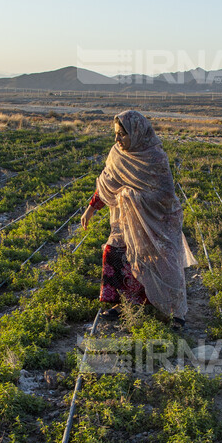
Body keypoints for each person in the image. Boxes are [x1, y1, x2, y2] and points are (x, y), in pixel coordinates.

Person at [80, 110, 196, 327]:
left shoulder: (155, 157)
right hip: (129, 219)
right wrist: (91, 209)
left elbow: (165, 195)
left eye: (122, 134)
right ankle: (124, 303)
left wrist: (134, 196)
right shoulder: (117, 155)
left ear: (136, 133)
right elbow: (108, 183)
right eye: (115, 134)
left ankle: (175, 312)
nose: (117, 139)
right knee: (113, 251)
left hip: (158, 220)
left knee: (165, 261)